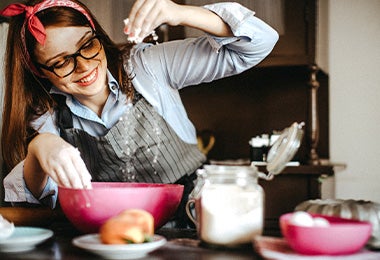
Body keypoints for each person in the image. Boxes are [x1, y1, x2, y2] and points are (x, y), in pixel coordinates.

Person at [0, 0, 278, 227]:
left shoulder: (146, 66)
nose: (84, 66)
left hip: (193, 220)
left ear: (97, 34)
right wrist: (39, 147)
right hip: (114, 234)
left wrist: (179, 13)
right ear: (40, 71)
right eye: (61, 62)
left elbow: (258, 43)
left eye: (87, 45)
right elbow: (33, 203)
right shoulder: (46, 114)